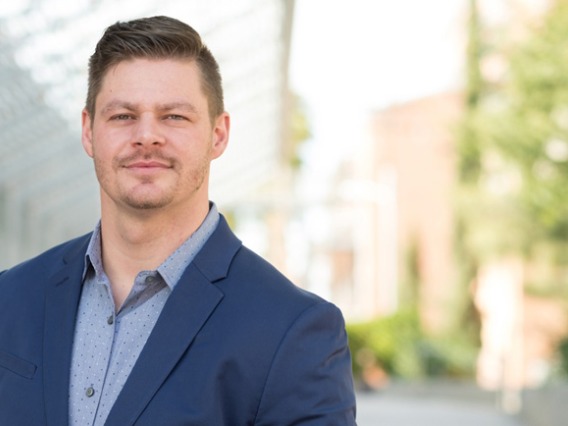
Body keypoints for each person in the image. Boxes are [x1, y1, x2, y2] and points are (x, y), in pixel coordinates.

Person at [0, 15, 356, 425]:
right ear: (89, 132)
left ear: (218, 134)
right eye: (122, 116)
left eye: (174, 116)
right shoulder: (12, 297)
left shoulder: (293, 332)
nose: (147, 135)